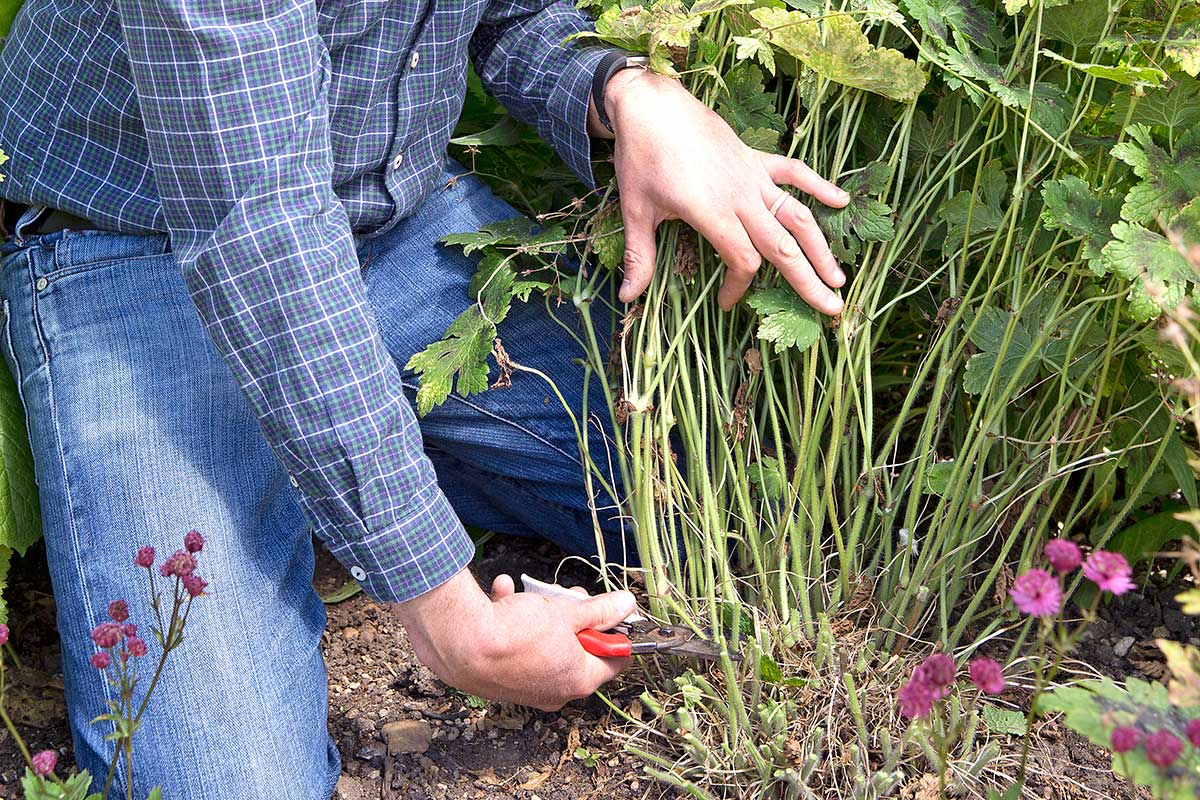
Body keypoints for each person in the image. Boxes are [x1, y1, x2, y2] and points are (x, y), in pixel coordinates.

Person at [0, 1, 848, 797]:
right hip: (141, 249)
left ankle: (326, 461)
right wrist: (450, 614)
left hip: (393, 225)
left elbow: (511, 12)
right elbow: (260, 222)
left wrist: (621, 89)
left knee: (755, 511)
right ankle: (321, 463)